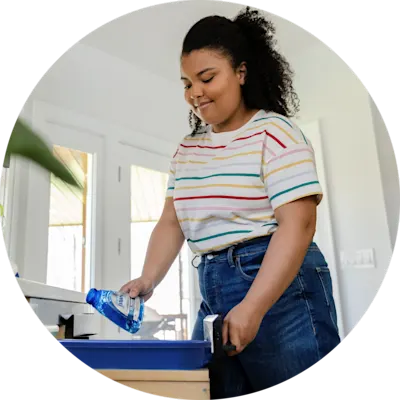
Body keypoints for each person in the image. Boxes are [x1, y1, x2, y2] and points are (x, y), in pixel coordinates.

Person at [120, 5, 341, 399]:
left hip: (279, 291)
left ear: (241, 72)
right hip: (214, 292)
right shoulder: (187, 150)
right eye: (187, 83)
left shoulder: (276, 133)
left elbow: (299, 225)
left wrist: (254, 307)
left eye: (207, 78)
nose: (195, 93)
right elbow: (172, 223)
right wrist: (148, 278)